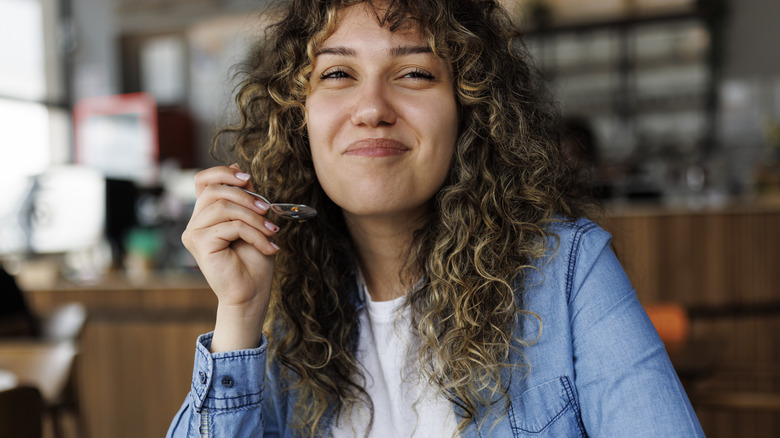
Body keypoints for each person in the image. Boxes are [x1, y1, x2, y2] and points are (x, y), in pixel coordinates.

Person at [168, 0, 704, 436]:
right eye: (337, 73)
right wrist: (238, 317)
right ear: (297, 117)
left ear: (470, 109)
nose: (372, 107)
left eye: (415, 73)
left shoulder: (567, 274)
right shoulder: (283, 311)